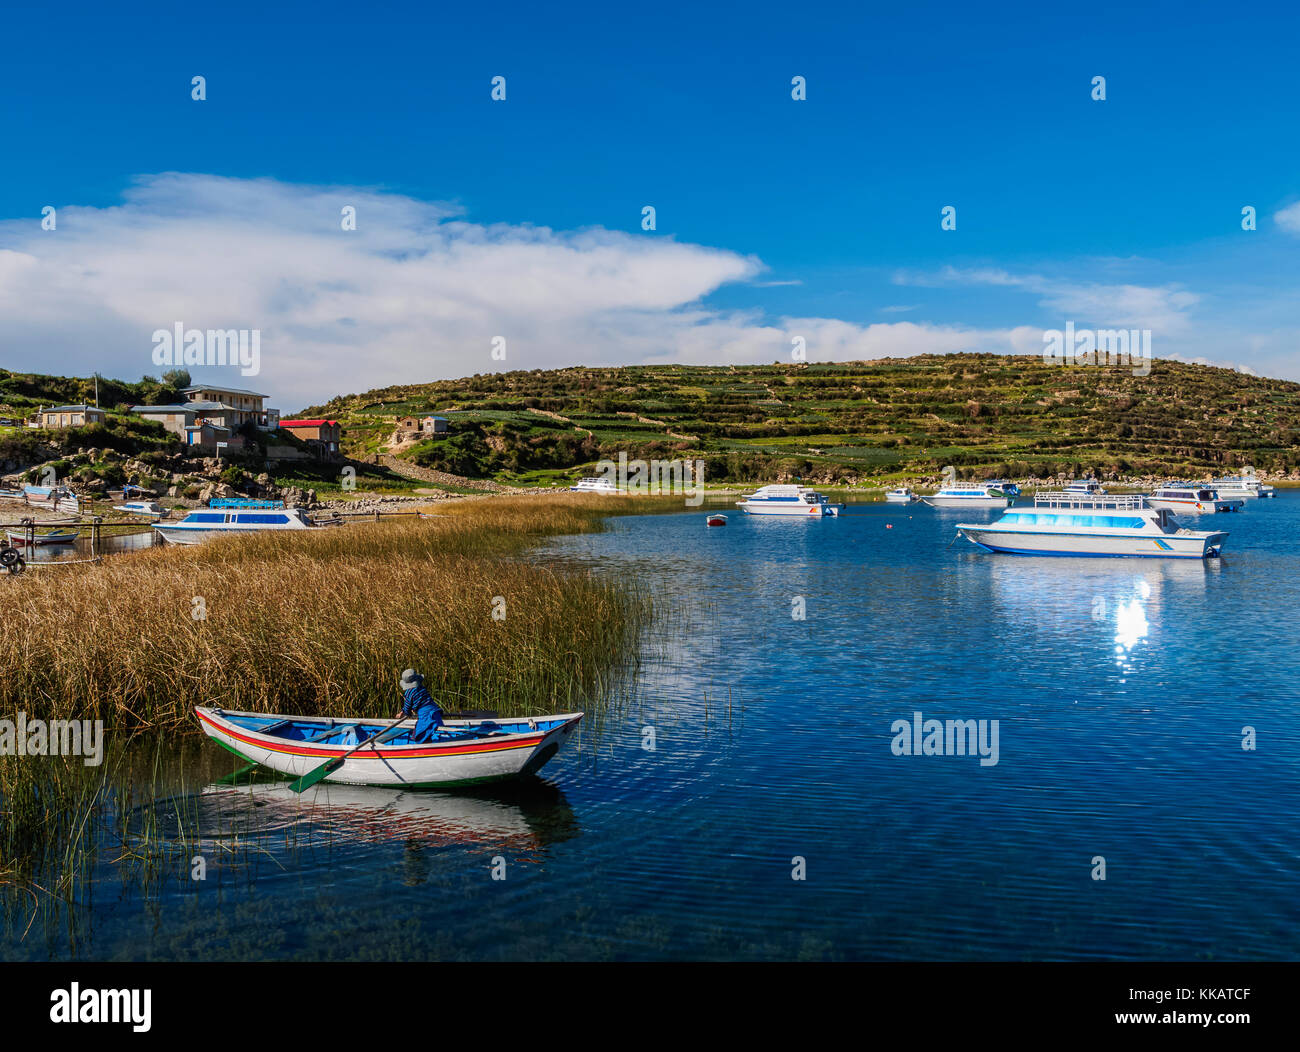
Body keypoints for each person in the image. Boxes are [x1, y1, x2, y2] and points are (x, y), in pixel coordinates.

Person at [395, 669, 445, 743]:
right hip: (435, 710)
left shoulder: (409, 693)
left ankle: (424, 747)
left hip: (426, 714)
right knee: (426, 730)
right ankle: (429, 742)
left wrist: (405, 713)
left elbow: (407, 707)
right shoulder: (421, 688)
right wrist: (403, 711)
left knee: (420, 734)